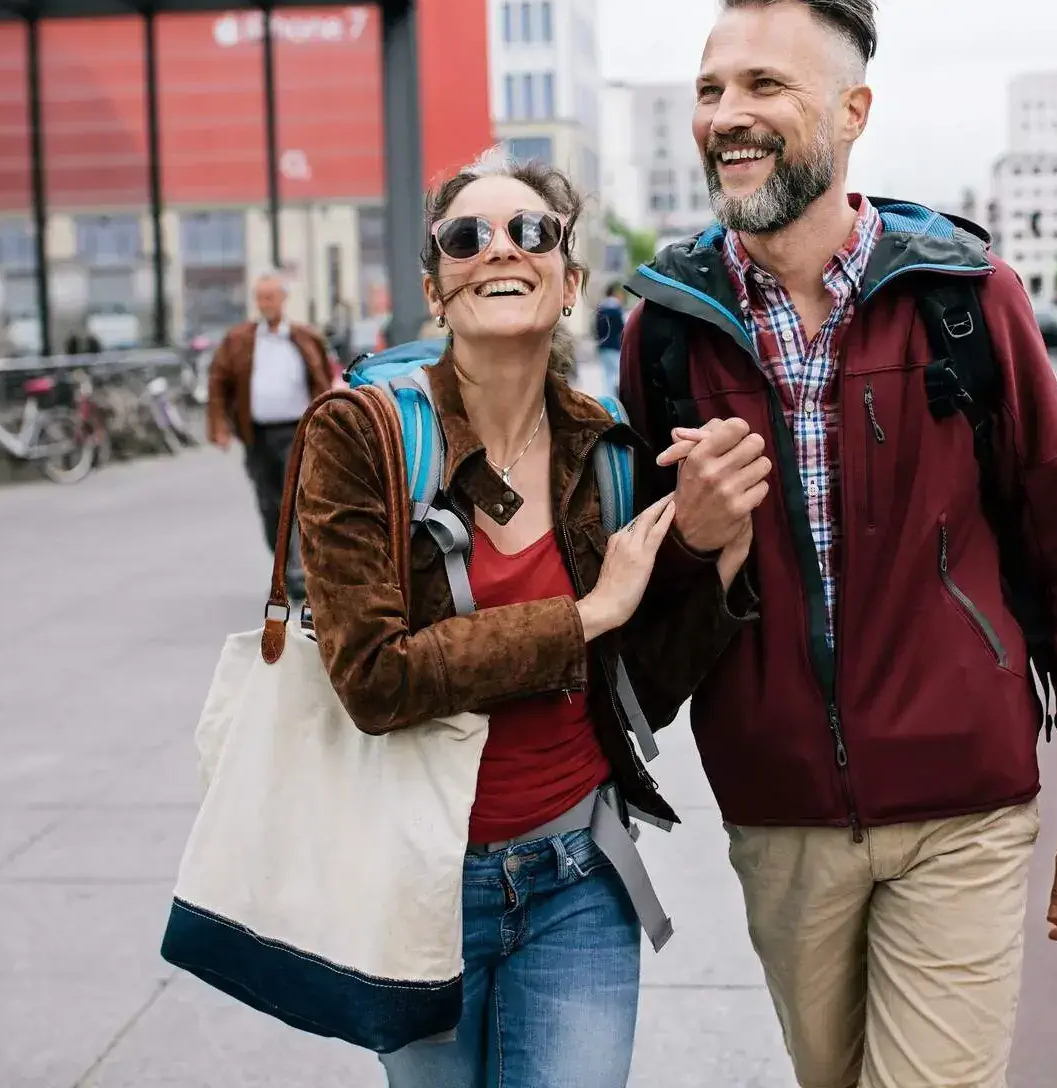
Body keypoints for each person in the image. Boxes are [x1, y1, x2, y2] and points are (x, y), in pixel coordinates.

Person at [618, 0, 1057, 1088]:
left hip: (965, 803)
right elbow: (638, 638)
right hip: (782, 816)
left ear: (853, 113)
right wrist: (701, 546)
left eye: (765, 84)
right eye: (710, 90)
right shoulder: (667, 331)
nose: (727, 116)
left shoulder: (963, 297)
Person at [296, 149, 767, 1086]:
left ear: (569, 282)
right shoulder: (359, 435)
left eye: (531, 232)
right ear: (436, 289)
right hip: (423, 882)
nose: (499, 249)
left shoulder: (606, 447)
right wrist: (584, 613)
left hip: (578, 879)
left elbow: (641, 690)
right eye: (466, 237)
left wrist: (717, 558)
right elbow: (376, 680)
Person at [207, 273, 333, 603]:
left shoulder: (305, 337)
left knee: (300, 502)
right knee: (270, 505)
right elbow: (218, 382)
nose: (266, 304)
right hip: (257, 435)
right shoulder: (239, 340)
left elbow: (324, 380)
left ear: (283, 299)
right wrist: (219, 426)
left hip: (297, 432)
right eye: (261, 298)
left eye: (271, 297)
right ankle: (282, 568)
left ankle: (296, 572)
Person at [593, 284, 626, 400]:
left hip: (602, 346)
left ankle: (608, 399)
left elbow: (595, 328)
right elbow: (621, 328)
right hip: (615, 346)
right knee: (616, 374)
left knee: (606, 375)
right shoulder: (617, 309)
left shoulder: (600, 309)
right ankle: (616, 399)